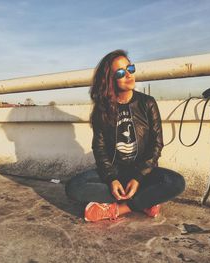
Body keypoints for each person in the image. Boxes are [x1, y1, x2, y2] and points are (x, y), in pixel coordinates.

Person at [65, 50, 185, 222]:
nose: (128, 75)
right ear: (109, 80)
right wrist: (111, 179)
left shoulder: (147, 103)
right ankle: (145, 201)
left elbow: (156, 145)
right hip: (115, 173)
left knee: (176, 182)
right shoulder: (102, 110)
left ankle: (117, 209)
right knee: (74, 187)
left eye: (130, 68)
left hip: (143, 173)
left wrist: (138, 177)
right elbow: (99, 149)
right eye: (121, 72)